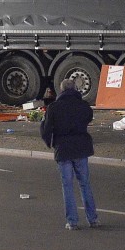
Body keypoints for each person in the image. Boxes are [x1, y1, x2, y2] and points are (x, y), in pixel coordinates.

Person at [40, 78, 100, 230]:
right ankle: (92, 219)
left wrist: (50, 143)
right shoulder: (83, 105)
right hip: (81, 148)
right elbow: (88, 118)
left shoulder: (54, 107)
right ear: (75, 89)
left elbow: (46, 129)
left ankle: (72, 221)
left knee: (67, 186)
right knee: (85, 184)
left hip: (64, 149)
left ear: (61, 90)